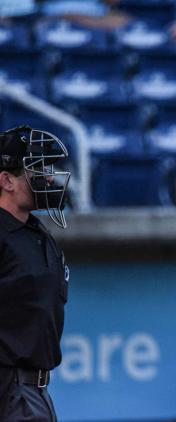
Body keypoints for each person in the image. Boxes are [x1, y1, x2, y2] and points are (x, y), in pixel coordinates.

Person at [0, 126, 71, 421]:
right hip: (9, 389)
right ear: (6, 180)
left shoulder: (34, 230)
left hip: (35, 390)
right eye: (35, 170)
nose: (46, 177)